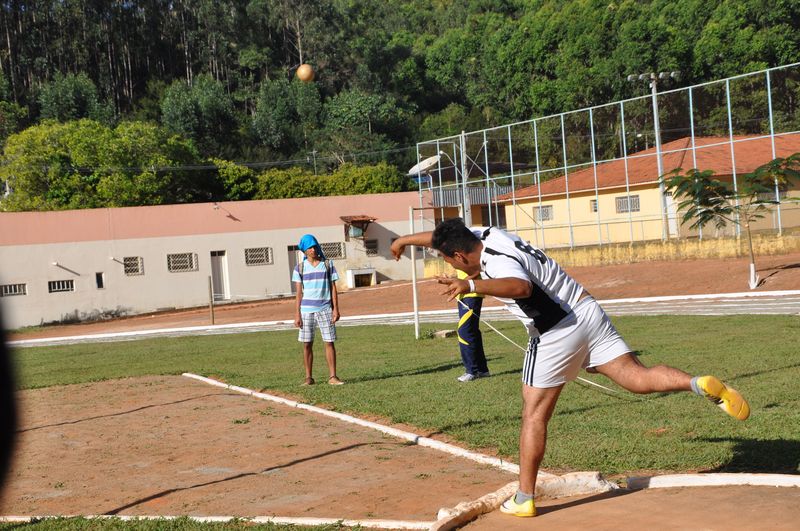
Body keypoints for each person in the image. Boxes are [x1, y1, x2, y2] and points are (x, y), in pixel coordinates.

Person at [390, 218, 749, 518]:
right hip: (587, 309)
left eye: (450, 261)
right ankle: (697, 383)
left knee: (534, 414)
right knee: (636, 376)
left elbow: (520, 286)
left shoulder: (496, 263)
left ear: (458, 255)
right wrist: (406, 240)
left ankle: (524, 497)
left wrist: (471, 284)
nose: (450, 266)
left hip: (556, 330)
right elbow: (443, 237)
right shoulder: (486, 234)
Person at [292, 234, 344, 386]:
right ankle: (308, 378)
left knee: (329, 342)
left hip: (325, 309)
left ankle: (333, 377)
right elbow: (298, 293)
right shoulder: (299, 268)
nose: (313, 249)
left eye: (315, 246)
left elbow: (333, 288)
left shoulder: (328, 264)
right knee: (307, 344)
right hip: (306, 311)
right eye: (309, 247)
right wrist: (297, 315)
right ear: (304, 250)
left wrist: (336, 309)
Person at [455, 269, 490, 382]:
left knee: (465, 332)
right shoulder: (458, 255)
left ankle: (471, 371)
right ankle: (482, 370)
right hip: (464, 295)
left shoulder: (465, 252)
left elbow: (477, 270)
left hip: (471, 294)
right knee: (473, 331)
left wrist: (463, 282)